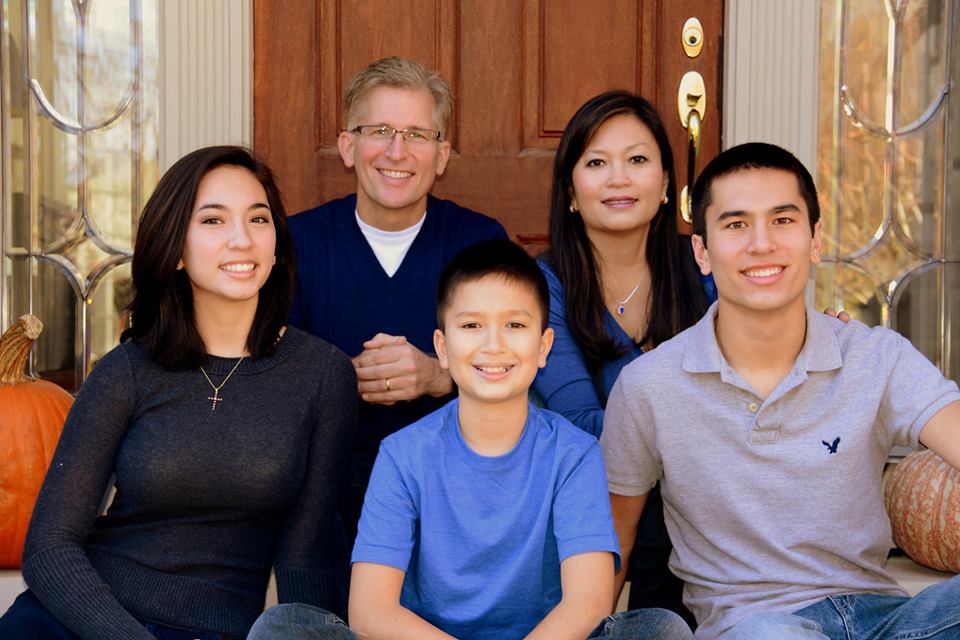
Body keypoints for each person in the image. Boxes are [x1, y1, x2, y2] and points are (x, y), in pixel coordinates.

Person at [247, 239, 693, 640]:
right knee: (283, 627)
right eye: (472, 326)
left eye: (515, 326)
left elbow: (589, 604)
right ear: (441, 347)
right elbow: (370, 610)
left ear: (543, 347)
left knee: (662, 631)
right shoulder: (404, 454)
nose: (493, 345)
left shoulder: (574, 454)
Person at [600, 142, 960, 639]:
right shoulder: (649, 386)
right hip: (754, 626)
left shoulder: (876, 357)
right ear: (702, 251)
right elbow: (613, 541)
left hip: (884, 619)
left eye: (783, 220)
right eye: (735, 224)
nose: (762, 243)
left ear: (814, 239)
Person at [0, 146, 357, 640]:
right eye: (213, 221)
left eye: (259, 218)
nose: (242, 239)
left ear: (276, 243)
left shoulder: (322, 374)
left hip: (216, 628)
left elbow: (307, 553)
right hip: (81, 620)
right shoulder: (126, 370)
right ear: (176, 251)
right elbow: (50, 545)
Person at [288, 56, 507, 541]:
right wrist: (341, 378)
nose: (396, 151)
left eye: (416, 135)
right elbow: (265, 378)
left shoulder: (481, 242)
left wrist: (439, 373)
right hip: (326, 497)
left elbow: (517, 367)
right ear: (348, 146)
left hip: (456, 492)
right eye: (380, 130)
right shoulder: (297, 243)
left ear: (442, 154)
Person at [532, 90, 712, 624]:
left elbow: (752, 402)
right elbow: (585, 428)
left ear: (664, 186)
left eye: (637, 160)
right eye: (596, 162)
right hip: (581, 510)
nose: (618, 178)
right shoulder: (543, 287)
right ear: (570, 190)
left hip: (695, 516)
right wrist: (687, 403)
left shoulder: (704, 267)